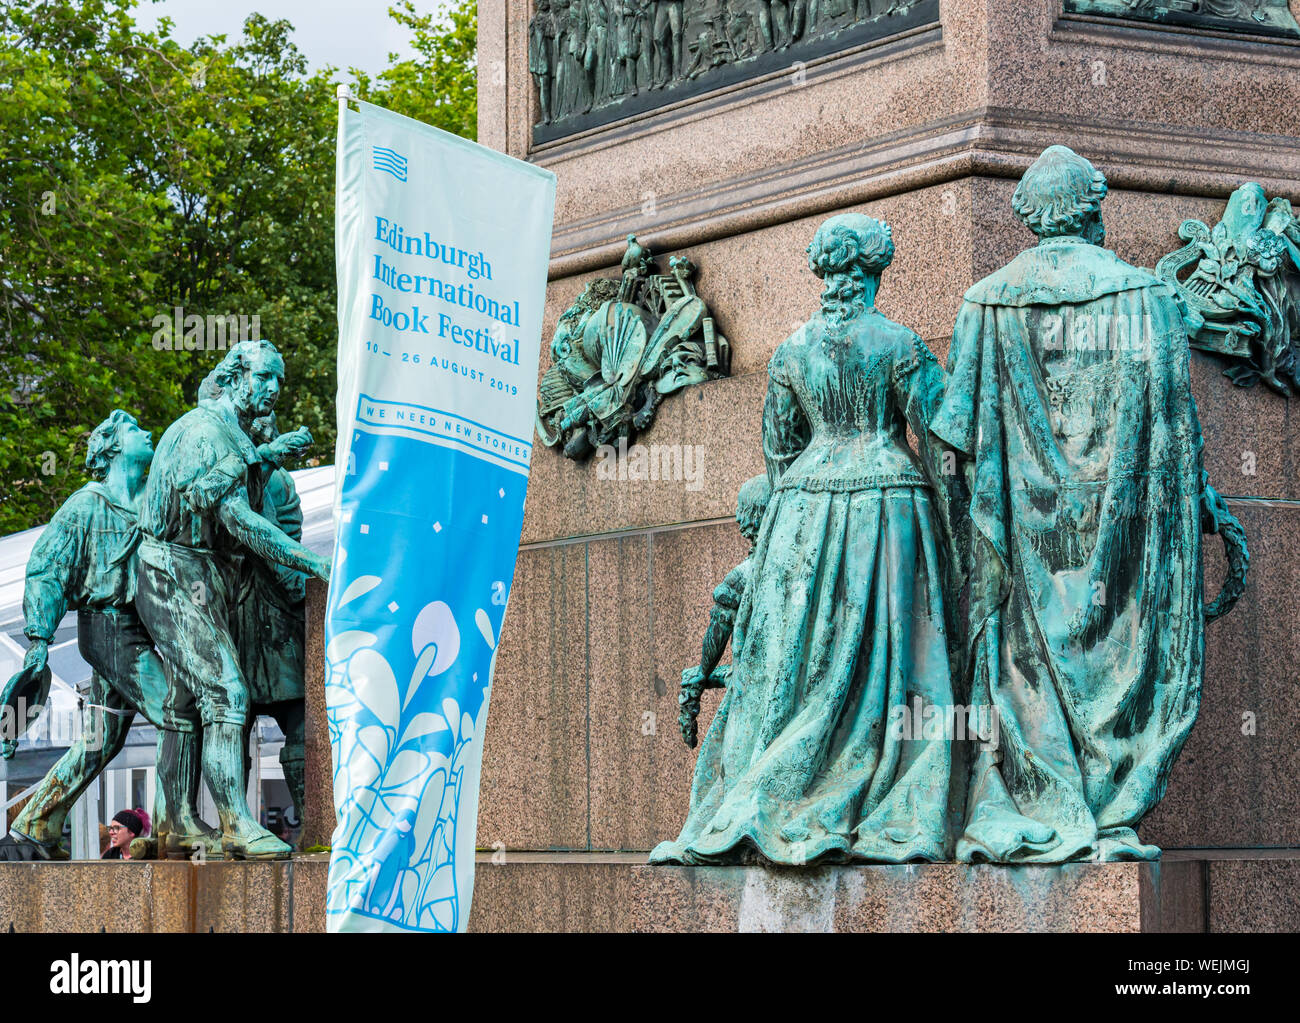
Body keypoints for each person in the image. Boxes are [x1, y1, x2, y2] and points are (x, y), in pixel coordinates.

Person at [931, 145, 1245, 863]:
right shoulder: (1149, 298)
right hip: (1121, 524)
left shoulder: (987, 302)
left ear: (1030, 218)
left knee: (1027, 654)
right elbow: (1174, 429)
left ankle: (1041, 786)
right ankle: (1113, 799)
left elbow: (957, 434)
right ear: (1095, 213)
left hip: (1024, 524)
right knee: (1119, 644)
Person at [652, 214, 965, 865]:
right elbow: (940, 443)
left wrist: (790, 517)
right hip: (888, 500)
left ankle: (784, 779)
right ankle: (874, 782)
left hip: (804, 505)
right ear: (875, 269)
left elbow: (777, 450)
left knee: (809, 651)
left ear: (824, 271)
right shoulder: (902, 346)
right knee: (889, 648)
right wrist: (959, 524)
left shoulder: (792, 352)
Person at [135, 340, 329, 860]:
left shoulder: (230, 435)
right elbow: (242, 524)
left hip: (194, 572)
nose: (274, 389)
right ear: (238, 376)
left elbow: (244, 491)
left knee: (184, 706)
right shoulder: (205, 431)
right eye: (265, 378)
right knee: (227, 698)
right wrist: (314, 564)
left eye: (279, 381)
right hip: (175, 570)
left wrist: (265, 456)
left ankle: (176, 821)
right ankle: (236, 824)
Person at [0, 412, 212, 862]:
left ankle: (33, 823)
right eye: (136, 429)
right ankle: (175, 825)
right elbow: (46, 571)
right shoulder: (86, 506)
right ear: (113, 448)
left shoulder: (154, 502)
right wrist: (39, 638)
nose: (148, 432)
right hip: (109, 631)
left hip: (141, 629)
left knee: (100, 741)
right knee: (179, 712)